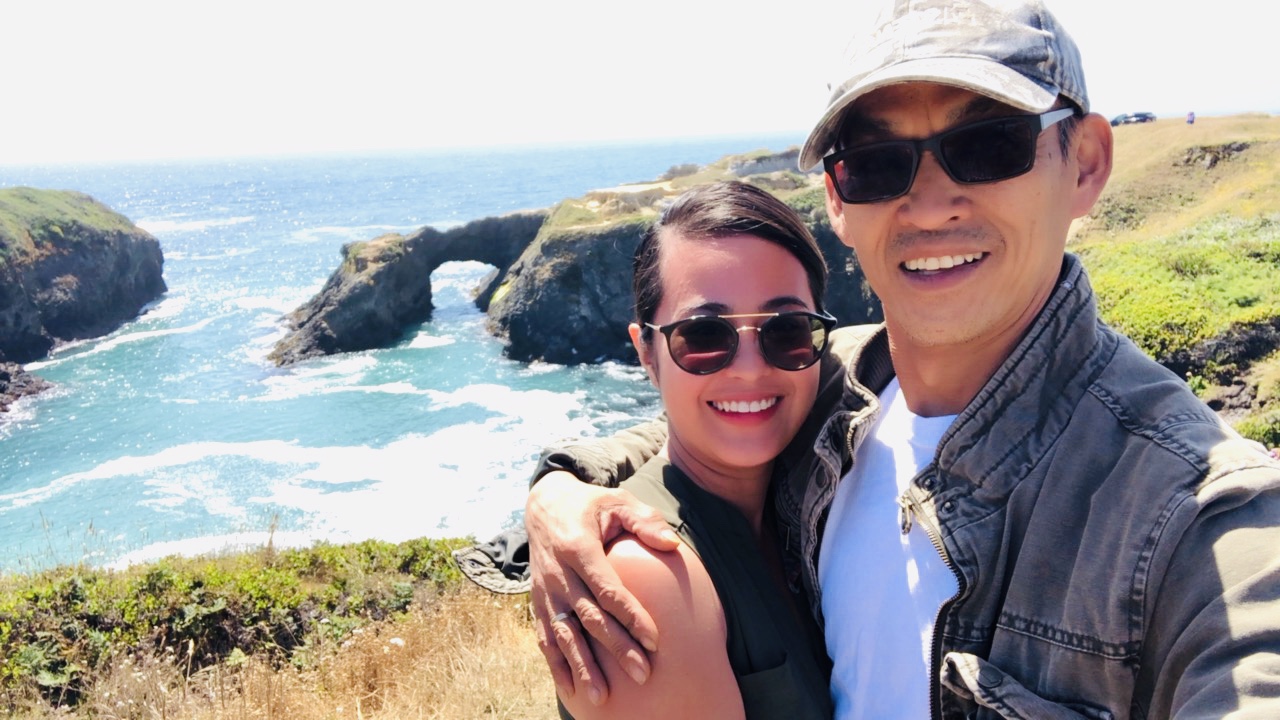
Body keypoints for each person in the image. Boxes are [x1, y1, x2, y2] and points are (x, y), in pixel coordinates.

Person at [521, 1, 1280, 718]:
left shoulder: (1197, 517)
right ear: (837, 200)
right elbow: (720, 415)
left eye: (988, 146)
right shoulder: (836, 384)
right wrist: (559, 488)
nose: (930, 205)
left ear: (1084, 163)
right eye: (878, 163)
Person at [555, 181, 838, 719]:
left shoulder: (802, 510)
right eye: (704, 335)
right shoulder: (646, 574)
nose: (751, 369)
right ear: (646, 352)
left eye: (787, 330)